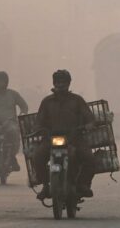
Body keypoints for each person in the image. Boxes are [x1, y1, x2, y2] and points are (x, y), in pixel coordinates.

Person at [32, 70, 100, 201]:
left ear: (69, 83)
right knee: (37, 157)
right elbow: (38, 121)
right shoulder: (47, 102)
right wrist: (39, 129)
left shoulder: (77, 100)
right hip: (51, 139)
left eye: (63, 82)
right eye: (58, 82)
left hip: (74, 138)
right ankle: (46, 185)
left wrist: (89, 125)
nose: (60, 85)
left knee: (90, 159)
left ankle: (82, 184)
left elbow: (89, 118)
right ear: (54, 83)